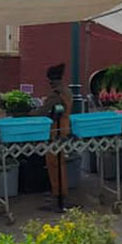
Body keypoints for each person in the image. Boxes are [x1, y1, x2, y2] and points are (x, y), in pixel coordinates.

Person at [30, 63, 73, 210]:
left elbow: (43, 111)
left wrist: (26, 113)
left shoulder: (56, 95)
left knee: (53, 163)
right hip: (64, 127)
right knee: (59, 162)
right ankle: (60, 192)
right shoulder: (66, 91)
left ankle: (58, 195)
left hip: (56, 129)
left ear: (51, 81)